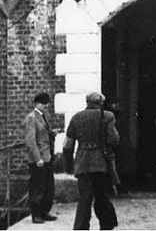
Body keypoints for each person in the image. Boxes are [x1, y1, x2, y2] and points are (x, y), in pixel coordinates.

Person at [63, 92, 120, 230]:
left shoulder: (76, 117)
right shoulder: (108, 116)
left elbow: (67, 145)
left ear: (87, 102)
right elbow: (113, 139)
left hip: (82, 164)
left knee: (84, 200)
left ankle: (80, 228)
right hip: (101, 163)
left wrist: (68, 166)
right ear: (101, 103)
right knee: (101, 196)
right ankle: (106, 225)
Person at [23, 92, 57, 224]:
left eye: (46, 103)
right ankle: (36, 214)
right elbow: (30, 140)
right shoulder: (31, 118)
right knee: (37, 187)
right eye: (43, 103)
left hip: (47, 157)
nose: (46, 106)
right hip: (39, 160)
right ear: (37, 103)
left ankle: (44, 212)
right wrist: (37, 158)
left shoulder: (43, 116)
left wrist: (51, 133)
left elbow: (42, 134)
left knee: (48, 186)